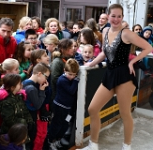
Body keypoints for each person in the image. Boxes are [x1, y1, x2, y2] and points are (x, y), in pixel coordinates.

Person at [77, 4, 152, 150]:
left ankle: (126, 146)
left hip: (125, 76)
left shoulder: (127, 33)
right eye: (113, 16)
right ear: (108, 16)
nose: (116, 19)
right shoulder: (105, 31)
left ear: (122, 17)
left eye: (119, 16)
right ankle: (93, 145)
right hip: (110, 74)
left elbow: (148, 48)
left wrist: (133, 61)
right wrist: (90, 64)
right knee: (93, 109)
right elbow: (105, 53)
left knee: (124, 114)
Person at [48, 58, 79, 149]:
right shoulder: (62, 80)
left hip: (68, 108)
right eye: (69, 74)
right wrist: (76, 80)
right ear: (64, 70)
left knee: (65, 124)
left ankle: (58, 140)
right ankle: (50, 140)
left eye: (74, 75)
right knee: (57, 124)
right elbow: (71, 91)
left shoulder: (70, 79)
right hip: (60, 107)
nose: (72, 77)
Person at [22, 63, 50, 150]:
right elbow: (38, 105)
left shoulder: (25, 82)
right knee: (31, 139)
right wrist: (42, 91)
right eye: (46, 77)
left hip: (29, 115)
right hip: (30, 118)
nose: (46, 80)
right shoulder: (31, 88)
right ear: (39, 74)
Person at [50, 39, 74, 110]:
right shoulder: (57, 62)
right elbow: (54, 78)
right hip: (58, 95)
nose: (73, 49)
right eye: (70, 48)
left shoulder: (69, 58)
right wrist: (68, 83)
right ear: (63, 49)